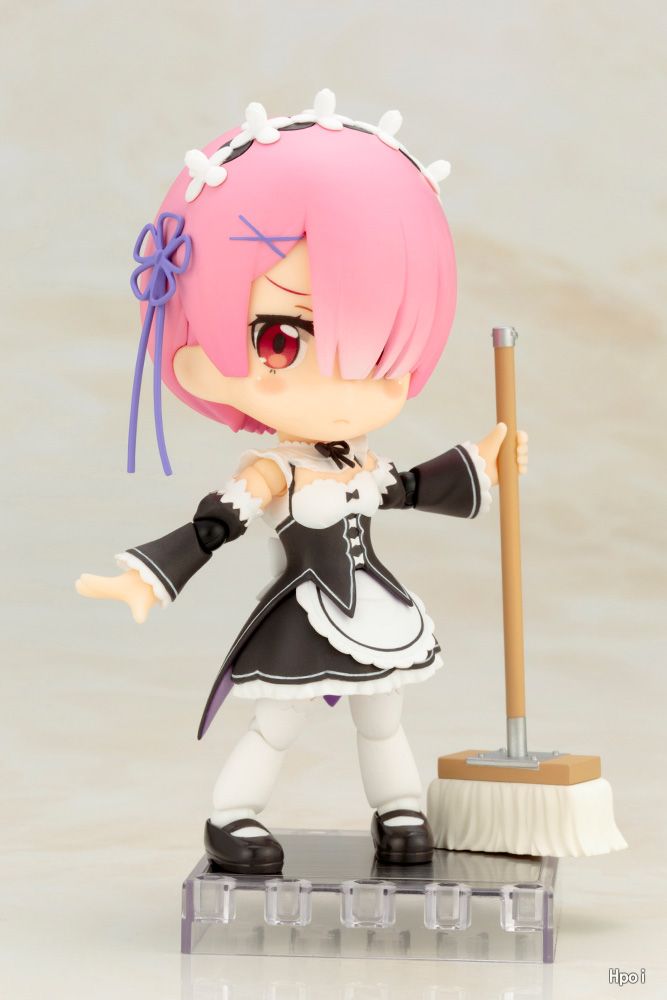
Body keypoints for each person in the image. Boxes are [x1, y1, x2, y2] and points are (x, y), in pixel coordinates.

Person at [76, 90, 528, 874]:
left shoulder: (360, 464)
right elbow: (214, 525)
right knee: (276, 724)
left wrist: (483, 465)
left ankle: (399, 810)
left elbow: (410, 488)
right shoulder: (274, 470)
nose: (342, 379)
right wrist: (149, 576)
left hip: (374, 610)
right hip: (304, 612)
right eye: (282, 338)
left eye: (378, 348)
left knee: (382, 716)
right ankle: (232, 817)